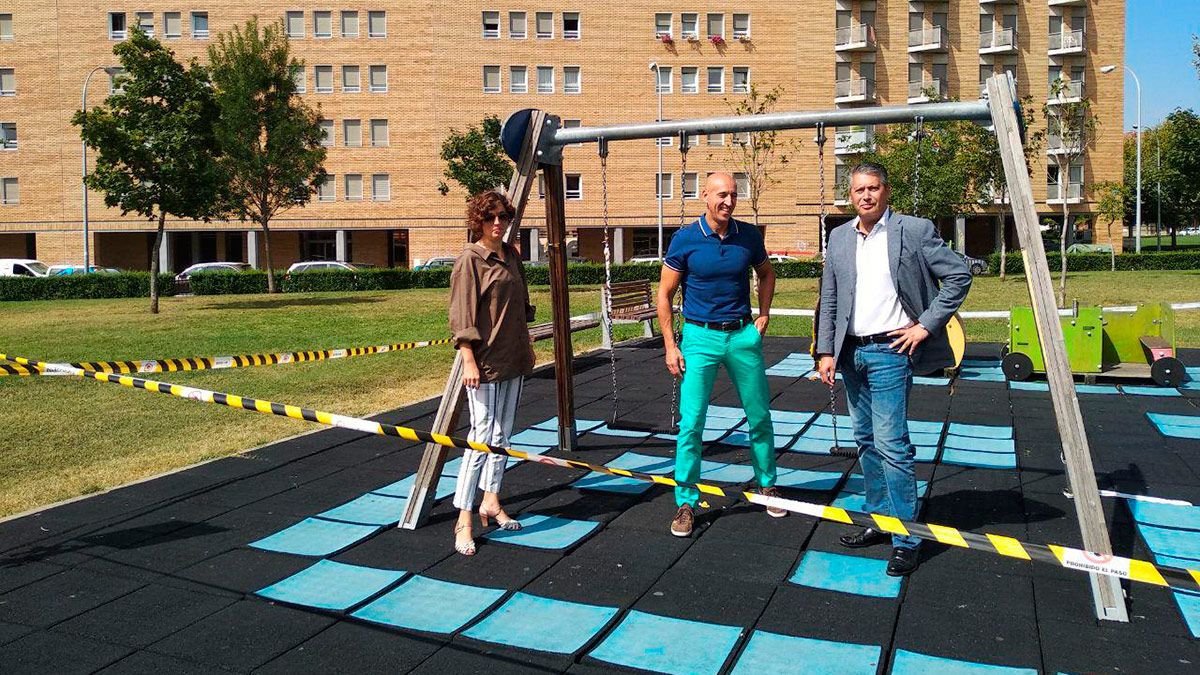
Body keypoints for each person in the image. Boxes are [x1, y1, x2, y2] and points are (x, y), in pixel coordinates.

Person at [816, 162, 972, 576]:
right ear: (850, 196)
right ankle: (878, 520)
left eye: (873, 189)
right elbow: (829, 298)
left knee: (892, 444)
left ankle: (907, 537)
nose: (865, 196)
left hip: (891, 351)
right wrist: (825, 351)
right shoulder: (839, 237)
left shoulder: (914, 231)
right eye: (858, 191)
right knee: (865, 440)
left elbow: (958, 275)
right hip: (850, 352)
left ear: (886, 191)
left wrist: (925, 325)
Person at [657, 171, 784, 538]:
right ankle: (686, 501)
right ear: (705, 198)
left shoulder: (747, 236)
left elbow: (767, 274)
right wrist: (670, 344)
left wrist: (764, 314)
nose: (728, 201)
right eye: (720, 195)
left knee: (759, 415)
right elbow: (664, 295)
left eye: (733, 195)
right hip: (700, 337)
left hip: (742, 335)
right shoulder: (685, 239)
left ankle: (767, 485)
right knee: (692, 422)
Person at [448, 190, 536, 556]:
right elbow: (462, 315)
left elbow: (521, 307)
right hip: (484, 363)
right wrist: (468, 357)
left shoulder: (511, 256)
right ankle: (464, 519)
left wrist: (527, 346)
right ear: (478, 222)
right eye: (490, 218)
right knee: (479, 438)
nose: (497, 223)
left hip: (513, 357)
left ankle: (492, 500)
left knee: (503, 435)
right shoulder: (470, 260)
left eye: (502, 217)